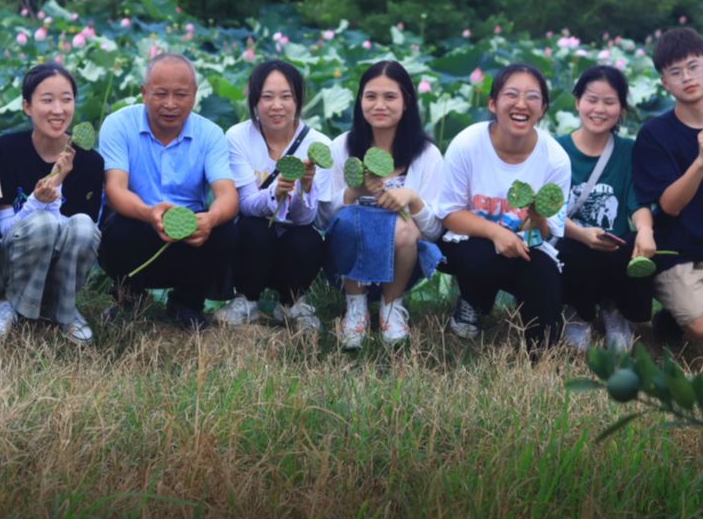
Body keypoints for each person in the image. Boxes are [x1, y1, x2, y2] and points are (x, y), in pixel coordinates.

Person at [97, 52, 238, 330]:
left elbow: (228, 196)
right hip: (138, 226)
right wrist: (149, 214)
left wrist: (209, 219)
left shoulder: (210, 134)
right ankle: (129, 296)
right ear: (144, 92)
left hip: (190, 235)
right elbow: (115, 189)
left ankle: (188, 302)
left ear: (195, 95)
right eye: (160, 94)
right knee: (118, 228)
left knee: (225, 229)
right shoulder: (118, 125)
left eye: (181, 95)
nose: (170, 104)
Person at [437, 63, 571, 352]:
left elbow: (548, 233)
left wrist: (536, 217)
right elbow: (449, 213)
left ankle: (539, 352)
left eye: (533, 97)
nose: (521, 104)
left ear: (544, 108)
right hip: (469, 241)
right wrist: (496, 234)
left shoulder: (555, 159)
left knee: (545, 282)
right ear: (493, 103)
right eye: (511, 94)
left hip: (526, 246)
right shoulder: (468, 144)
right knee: (479, 256)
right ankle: (473, 299)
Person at [320, 60, 445, 348]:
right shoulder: (341, 147)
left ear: (406, 103)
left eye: (390, 97)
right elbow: (323, 220)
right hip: (346, 255)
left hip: (404, 256)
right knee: (350, 220)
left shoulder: (427, 155)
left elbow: (435, 230)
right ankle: (356, 307)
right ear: (360, 100)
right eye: (371, 96)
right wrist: (353, 192)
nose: (379, 105)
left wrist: (412, 200)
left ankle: (391, 307)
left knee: (405, 229)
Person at [633, 27, 703, 343]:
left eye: (694, 67)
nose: (687, 77)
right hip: (680, 253)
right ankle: (676, 320)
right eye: (675, 73)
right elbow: (669, 205)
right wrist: (700, 159)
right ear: (665, 84)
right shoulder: (655, 134)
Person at [0, 63, 102, 343]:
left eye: (66, 99)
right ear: (27, 106)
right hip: (9, 268)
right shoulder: (7, 150)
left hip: (61, 272)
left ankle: (66, 308)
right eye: (47, 100)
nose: (58, 110)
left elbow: (83, 233)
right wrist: (37, 202)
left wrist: (56, 192)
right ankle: (9, 303)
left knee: (83, 225)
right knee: (44, 222)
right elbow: (7, 229)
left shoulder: (91, 162)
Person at [214, 60, 330, 331]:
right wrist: (275, 194)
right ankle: (247, 300)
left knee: (308, 239)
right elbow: (245, 205)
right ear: (255, 101)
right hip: (253, 242)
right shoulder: (238, 137)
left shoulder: (320, 145)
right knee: (253, 229)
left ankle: (291, 303)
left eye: (286, 97)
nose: (277, 105)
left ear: (298, 101)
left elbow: (307, 218)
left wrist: (305, 188)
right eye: (267, 97)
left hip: (293, 241)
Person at [555, 66, 656, 351]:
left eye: (610, 102)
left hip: (614, 247)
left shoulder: (629, 150)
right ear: (577, 102)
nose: (599, 109)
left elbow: (638, 202)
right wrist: (581, 234)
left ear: (621, 109)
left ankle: (617, 310)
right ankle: (577, 310)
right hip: (572, 241)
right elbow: (550, 213)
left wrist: (646, 230)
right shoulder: (556, 149)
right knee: (571, 249)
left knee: (641, 243)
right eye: (591, 99)